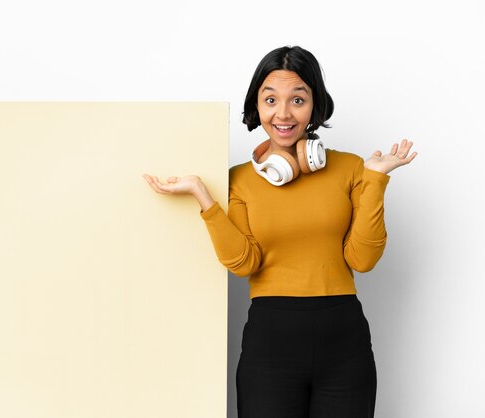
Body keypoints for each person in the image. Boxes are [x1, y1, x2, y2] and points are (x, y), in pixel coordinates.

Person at [143, 45, 417, 418]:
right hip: (269, 345)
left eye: (298, 99)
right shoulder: (238, 179)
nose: (283, 113)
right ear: (256, 106)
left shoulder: (352, 168)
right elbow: (243, 263)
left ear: (314, 105)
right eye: (270, 99)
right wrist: (204, 197)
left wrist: (375, 179)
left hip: (344, 343)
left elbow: (362, 259)